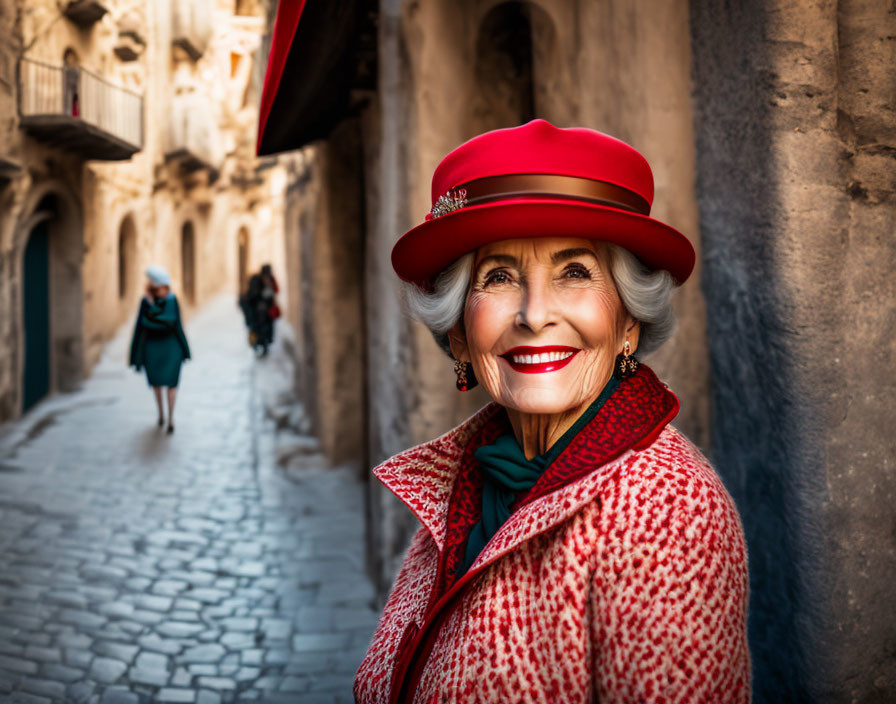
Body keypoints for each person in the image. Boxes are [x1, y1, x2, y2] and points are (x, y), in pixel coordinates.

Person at [354, 120, 750, 703]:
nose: (535, 314)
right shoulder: (469, 476)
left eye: (574, 272)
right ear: (461, 335)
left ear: (628, 325)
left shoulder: (665, 511)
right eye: (498, 276)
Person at [129, 266, 191, 434]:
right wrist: (185, 350)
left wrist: (135, 355)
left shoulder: (146, 302)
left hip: (153, 350)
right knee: (172, 384)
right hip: (172, 349)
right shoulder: (172, 300)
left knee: (158, 384)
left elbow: (140, 328)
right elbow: (178, 326)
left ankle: (162, 415)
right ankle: (170, 417)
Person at [241, 263, 280, 356]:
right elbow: (251, 296)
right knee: (255, 329)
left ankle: (265, 345)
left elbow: (275, 291)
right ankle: (255, 345)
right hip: (255, 312)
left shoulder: (270, 280)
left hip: (266, 312)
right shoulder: (255, 280)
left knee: (266, 330)